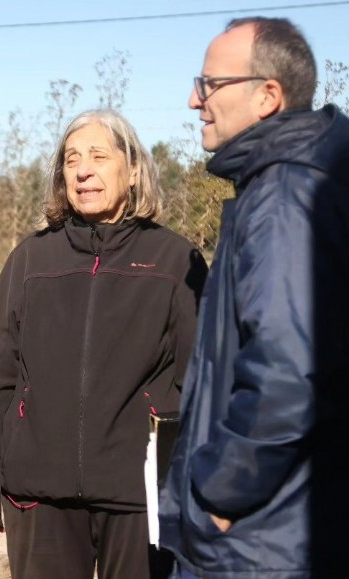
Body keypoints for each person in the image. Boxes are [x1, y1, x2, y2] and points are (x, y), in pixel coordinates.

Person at [0, 109, 208, 579]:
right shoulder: (32, 259)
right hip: (39, 495)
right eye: (71, 159)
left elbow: (201, 379)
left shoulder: (174, 259)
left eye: (98, 155)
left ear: (133, 169)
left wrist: (201, 488)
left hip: (140, 497)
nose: (82, 170)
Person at [159, 17, 349, 577]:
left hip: (261, 541)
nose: (194, 100)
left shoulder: (285, 195)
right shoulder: (294, 181)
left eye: (209, 84)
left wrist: (222, 492)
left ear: (268, 95)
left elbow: (288, 369)